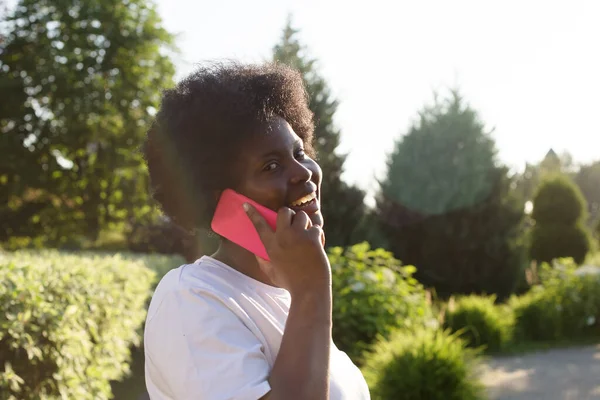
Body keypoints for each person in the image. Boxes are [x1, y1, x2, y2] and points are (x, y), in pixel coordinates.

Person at [142, 62, 371, 400]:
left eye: (300, 152)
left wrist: (305, 292)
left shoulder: (286, 298)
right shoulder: (191, 298)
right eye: (272, 165)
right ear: (219, 200)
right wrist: (311, 290)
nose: (304, 173)